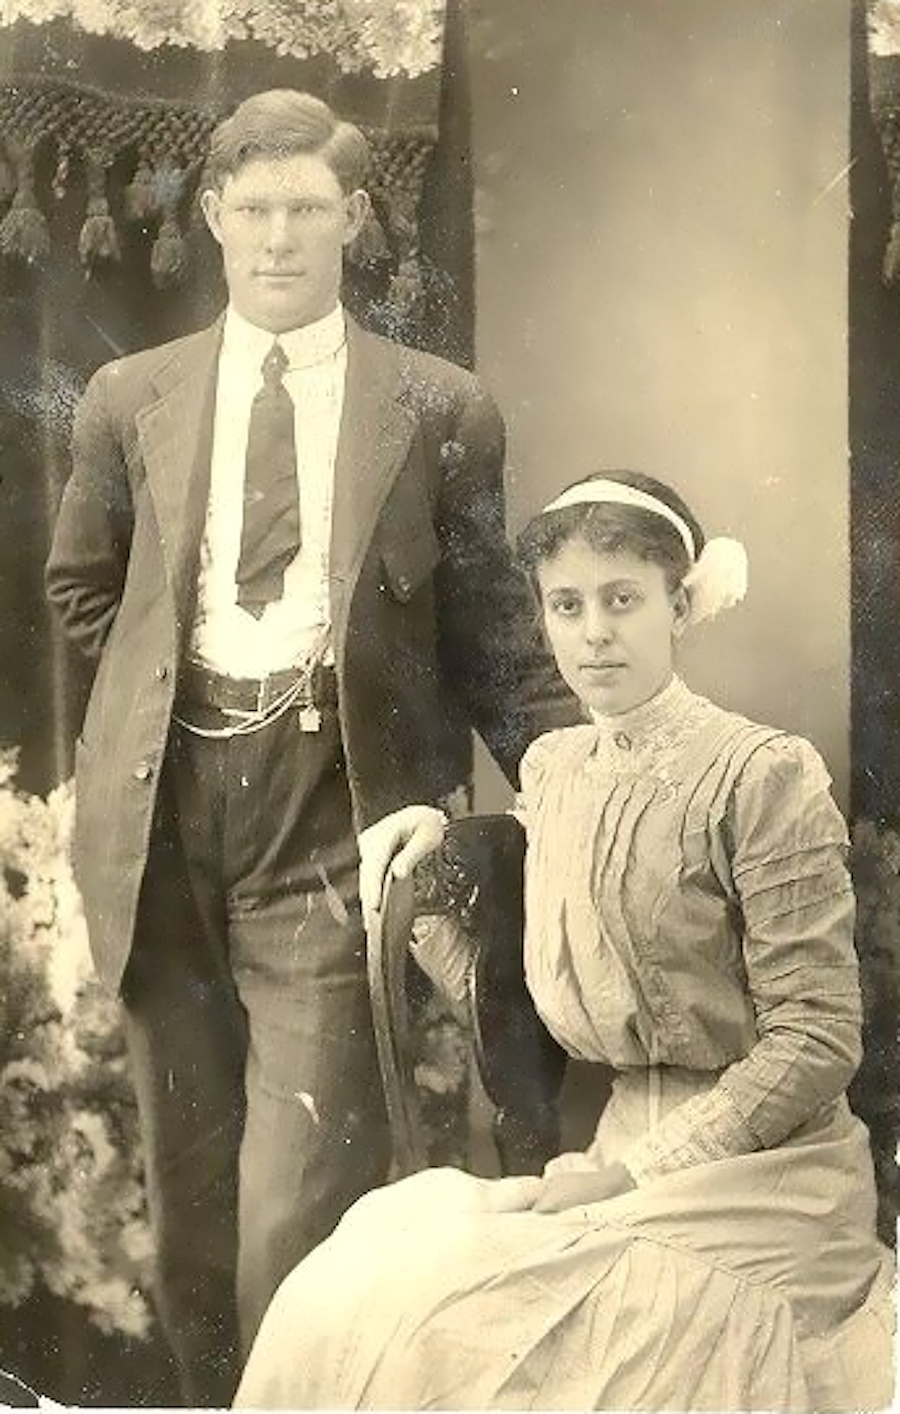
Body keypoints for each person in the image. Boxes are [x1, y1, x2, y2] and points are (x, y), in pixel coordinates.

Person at [44, 90, 576, 1406]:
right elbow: (81, 593)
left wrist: (581, 772)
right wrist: (157, 709)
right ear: (215, 216)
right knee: (188, 1216)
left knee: (295, 1213)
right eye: (257, 207)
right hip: (169, 825)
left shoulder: (439, 408)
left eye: (309, 208)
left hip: (330, 826)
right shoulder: (128, 397)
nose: (281, 235)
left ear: (356, 219)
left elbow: (491, 631)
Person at [235, 471, 896, 1412]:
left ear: (680, 603)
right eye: (567, 605)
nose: (594, 634)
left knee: (628, 1359)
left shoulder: (763, 775)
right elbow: (569, 921)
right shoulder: (553, 769)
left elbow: (819, 1040)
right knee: (356, 1294)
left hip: (768, 1178)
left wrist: (632, 1174)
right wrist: (438, 835)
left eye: (622, 600)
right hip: (614, 1151)